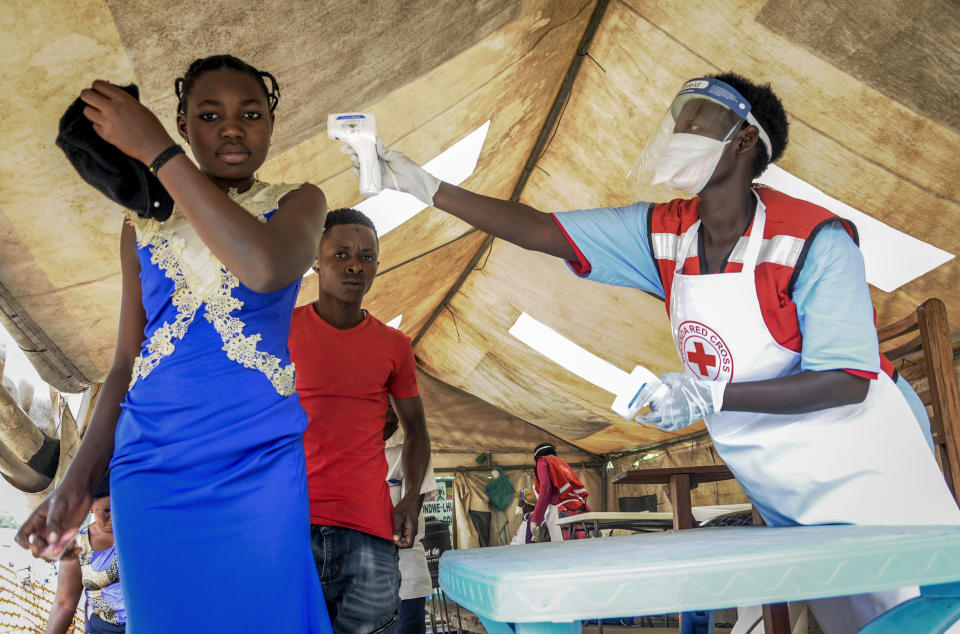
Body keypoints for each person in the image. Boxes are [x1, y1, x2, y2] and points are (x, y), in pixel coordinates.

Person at [348, 72, 960, 632]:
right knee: (858, 620)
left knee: (933, 613)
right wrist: (423, 186)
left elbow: (846, 381)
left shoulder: (814, 240)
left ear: (745, 139)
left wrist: (711, 394)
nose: (677, 133)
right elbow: (541, 230)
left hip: (868, 466)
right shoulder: (666, 233)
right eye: (679, 120)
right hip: (783, 484)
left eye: (696, 121)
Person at [18, 55, 331, 632]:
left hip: (256, 460)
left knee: (268, 614)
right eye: (209, 115)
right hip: (151, 469)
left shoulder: (300, 202)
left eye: (251, 113)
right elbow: (122, 368)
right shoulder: (141, 227)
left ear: (270, 124)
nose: (232, 127)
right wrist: (76, 487)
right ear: (185, 123)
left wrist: (160, 154)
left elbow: (266, 268)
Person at [289, 207, 431, 633]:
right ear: (316, 258)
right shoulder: (280, 331)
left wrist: (411, 499)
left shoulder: (394, 345)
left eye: (367, 257)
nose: (355, 265)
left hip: (370, 530)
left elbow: (417, 430)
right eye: (342, 254)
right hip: (290, 525)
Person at [45, 473, 124, 634]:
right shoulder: (77, 544)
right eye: (106, 510)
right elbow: (64, 603)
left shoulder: (139, 535)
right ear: (89, 507)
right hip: (101, 629)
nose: (113, 516)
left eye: (120, 507)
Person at [384, 406, 437, 634]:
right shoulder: (356, 449)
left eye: (389, 406)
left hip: (407, 574)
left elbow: (410, 514)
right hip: (366, 577)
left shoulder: (413, 448)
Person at [529, 442, 590, 542]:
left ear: (537, 456)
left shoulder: (542, 461)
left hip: (561, 511)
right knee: (581, 550)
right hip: (579, 510)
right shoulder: (562, 463)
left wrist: (535, 519)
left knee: (562, 552)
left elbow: (545, 491)